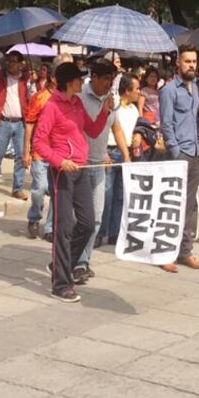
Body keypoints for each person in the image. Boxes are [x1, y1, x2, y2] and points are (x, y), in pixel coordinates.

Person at [32, 62, 111, 302]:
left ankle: (60, 264)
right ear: (68, 82)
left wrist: (105, 111)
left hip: (82, 168)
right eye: (79, 79)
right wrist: (59, 160)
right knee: (64, 228)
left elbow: (93, 130)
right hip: (63, 172)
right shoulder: (52, 107)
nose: (82, 82)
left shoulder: (77, 104)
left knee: (88, 223)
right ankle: (61, 283)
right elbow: (39, 143)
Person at [158, 44, 199, 273]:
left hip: (194, 151)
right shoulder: (169, 90)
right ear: (178, 63)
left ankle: (185, 251)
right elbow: (166, 124)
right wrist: (175, 151)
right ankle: (165, 252)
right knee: (172, 205)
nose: (191, 65)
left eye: (194, 62)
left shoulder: (195, 87)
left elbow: (191, 116)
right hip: (179, 154)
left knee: (190, 206)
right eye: (187, 61)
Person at [74, 59, 120, 281]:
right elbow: (89, 129)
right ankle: (74, 261)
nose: (109, 84)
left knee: (97, 218)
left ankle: (84, 261)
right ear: (94, 77)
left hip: (100, 163)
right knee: (82, 219)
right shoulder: (79, 97)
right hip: (81, 164)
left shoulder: (113, 100)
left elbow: (115, 128)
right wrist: (103, 110)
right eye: (106, 79)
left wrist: (125, 156)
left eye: (112, 80)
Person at [0, 50, 33, 200]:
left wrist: (33, 82)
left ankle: (17, 188)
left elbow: (32, 96)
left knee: (20, 156)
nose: (10, 64)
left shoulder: (26, 79)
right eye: (8, 61)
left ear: (21, 64)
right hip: (4, 121)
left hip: (20, 123)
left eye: (13, 61)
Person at [97, 75, 140, 249]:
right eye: (136, 89)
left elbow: (135, 128)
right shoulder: (113, 106)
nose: (139, 92)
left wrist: (138, 136)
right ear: (127, 91)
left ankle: (115, 232)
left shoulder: (134, 110)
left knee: (120, 195)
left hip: (126, 153)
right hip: (110, 152)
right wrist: (102, 152)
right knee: (106, 194)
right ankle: (101, 232)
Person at [23, 74, 56, 239]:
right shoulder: (40, 97)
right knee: (39, 188)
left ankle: (50, 228)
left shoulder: (67, 98)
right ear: (53, 77)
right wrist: (25, 151)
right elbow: (29, 124)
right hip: (40, 151)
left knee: (57, 192)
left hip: (58, 152)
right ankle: (34, 217)